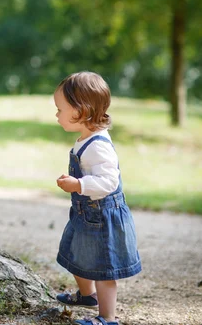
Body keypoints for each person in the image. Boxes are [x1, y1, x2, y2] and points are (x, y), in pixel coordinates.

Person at [53, 72, 141, 325]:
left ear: (81, 111)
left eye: (60, 109)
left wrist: (79, 184)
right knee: (76, 255)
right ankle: (86, 295)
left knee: (103, 270)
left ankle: (107, 317)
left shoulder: (98, 145)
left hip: (102, 217)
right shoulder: (86, 139)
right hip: (86, 214)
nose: (56, 115)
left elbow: (108, 182)